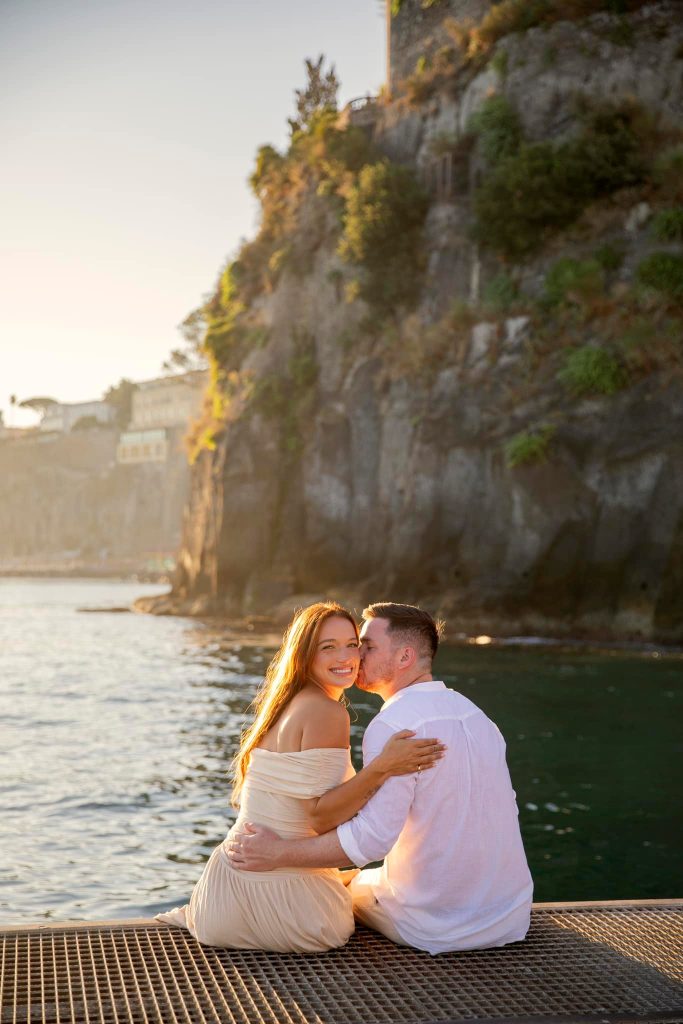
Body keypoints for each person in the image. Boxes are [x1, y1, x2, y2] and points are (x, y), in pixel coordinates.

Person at [228, 602, 534, 955]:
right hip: (508, 916)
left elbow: (371, 841)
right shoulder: (480, 719)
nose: (357, 655)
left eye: (367, 646)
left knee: (338, 890)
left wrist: (279, 853)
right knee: (350, 879)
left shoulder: (394, 725)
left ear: (404, 658)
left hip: (435, 925)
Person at [155, 601, 444, 953]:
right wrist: (383, 767)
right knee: (378, 898)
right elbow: (321, 817)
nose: (347, 657)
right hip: (294, 912)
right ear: (305, 655)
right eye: (328, 647)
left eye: (353, 645)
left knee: (361, 882)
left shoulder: (284, 704)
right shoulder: (326, 712)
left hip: (221, 895)